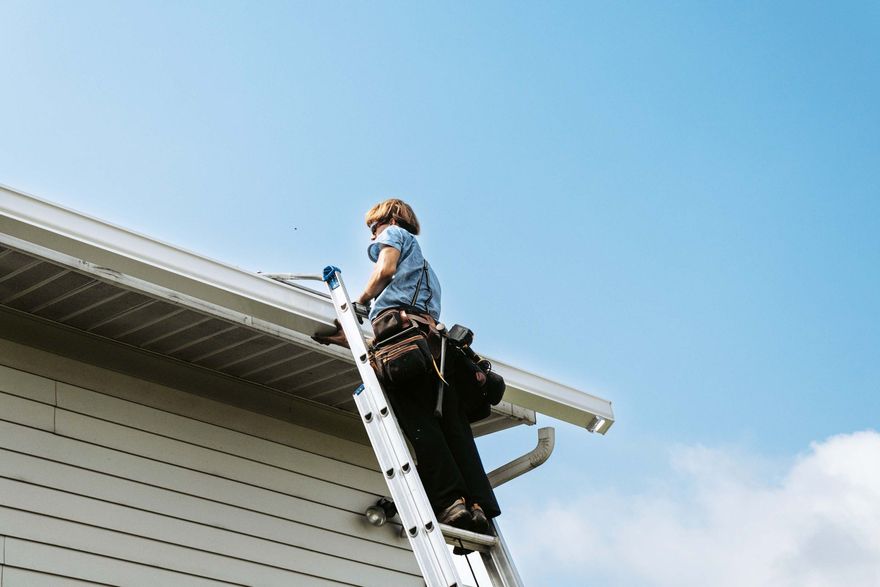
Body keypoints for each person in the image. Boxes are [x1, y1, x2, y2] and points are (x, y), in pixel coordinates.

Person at [315, 198, 499, 533]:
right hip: (434, 350)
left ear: (392, 219)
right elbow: (409, 329)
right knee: (452, 429)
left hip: (402, 345)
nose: (373, 236)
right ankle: (477, 507)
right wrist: (355, 341)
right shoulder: (429, 274)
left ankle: (449, 502)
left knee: (419, 425)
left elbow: (385, 269)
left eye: (375, 226)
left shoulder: (397, 236)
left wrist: (358, 303)